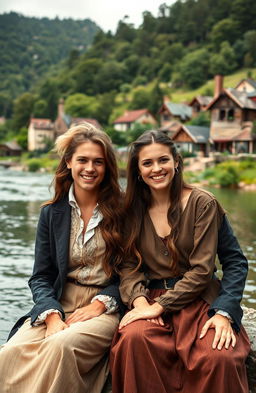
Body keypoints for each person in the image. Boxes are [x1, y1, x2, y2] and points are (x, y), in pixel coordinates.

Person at [110, 130, 250, 393]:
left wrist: (224, 312)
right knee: (134, 340)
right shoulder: (129, 211)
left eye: (163, 160)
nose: (157, 169)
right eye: (147, 163)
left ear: (176, 161)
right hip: (150, 298)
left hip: (200, 300)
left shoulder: (202, 203)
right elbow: (127, 266)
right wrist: (140, 303)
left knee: (219, 356)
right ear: (138, 171)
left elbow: (207, 269)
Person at [0, 123, 124, 393]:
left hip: (104, 307)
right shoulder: (51, 213)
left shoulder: (124, 211)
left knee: (61, 345)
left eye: (98, 162)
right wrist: (53, 315)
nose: (89, 168)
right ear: (69, 162)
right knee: (8, 354)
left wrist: (101, 304)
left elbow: (134, 272)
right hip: (59, 301)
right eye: (82, 160)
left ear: (107, 167)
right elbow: (41, 276)